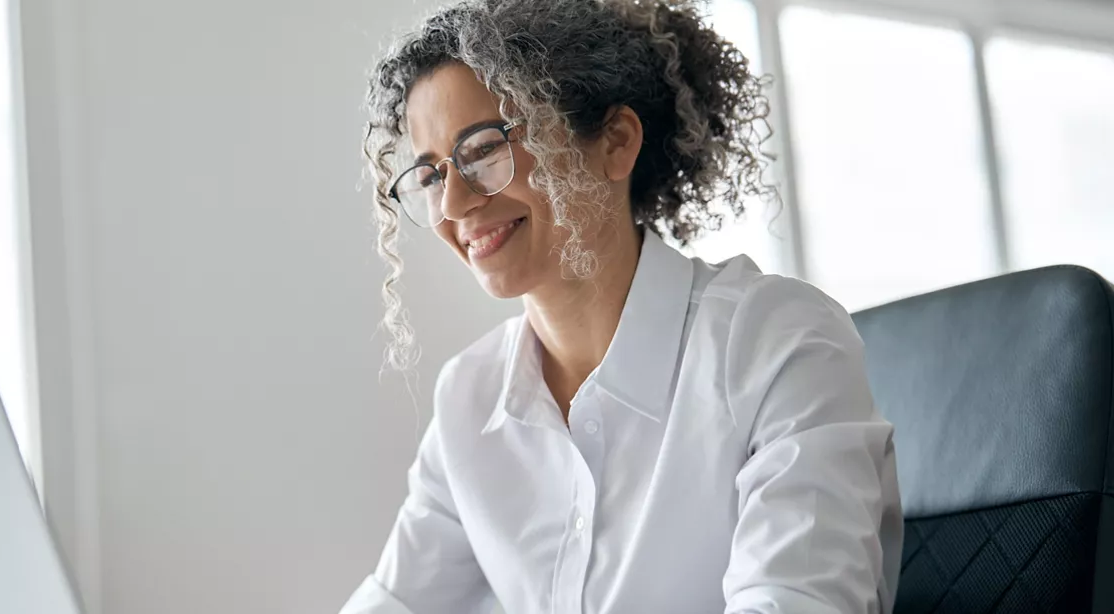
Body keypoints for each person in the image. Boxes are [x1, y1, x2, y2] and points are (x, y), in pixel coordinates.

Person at [343, 1, 902, 613]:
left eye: (483, 150)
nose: (452, 203)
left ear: (615, 143)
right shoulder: (468, 400)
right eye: (429, 175)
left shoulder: (777, 343)